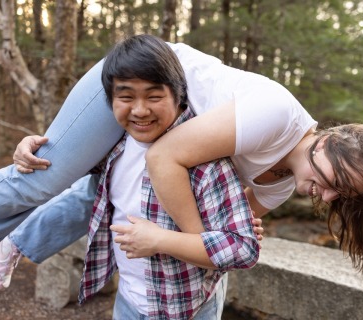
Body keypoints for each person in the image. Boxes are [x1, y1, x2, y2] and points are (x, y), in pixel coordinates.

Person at [0, 34, 363, 311]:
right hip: (149, 79)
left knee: (110, 190)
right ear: (327, 142)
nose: (328, 196)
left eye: (341, 197)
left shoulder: (283, 186)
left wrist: (213, 239)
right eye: (335, 182)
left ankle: (20, 240)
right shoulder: (275, 114)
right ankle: (13, 235)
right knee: (44, 175)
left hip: (168, 130)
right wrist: (196, 243)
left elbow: (225, 227)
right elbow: (164, 161)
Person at [92, 35, 260, 318]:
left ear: (179, 94)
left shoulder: (206, 160)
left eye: (154, 96)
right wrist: (33, 146)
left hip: (186, 308)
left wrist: (159, 240)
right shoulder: (115, 143)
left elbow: (243, 247)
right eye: (126, 97)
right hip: (128, 301)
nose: (140, 110)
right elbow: (70, 168)